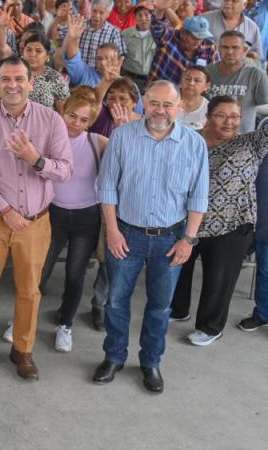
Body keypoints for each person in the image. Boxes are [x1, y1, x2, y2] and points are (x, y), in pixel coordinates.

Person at [92, 80, 208, 393]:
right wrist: (112, 231)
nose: (160, 110)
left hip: (172, 239)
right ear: (144, 101)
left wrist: (189, 240)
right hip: (127, 234)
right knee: (116, 302)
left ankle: (151, 362)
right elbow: (106, 188)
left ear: (180, 106)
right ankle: (114, 356)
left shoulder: (194, 145)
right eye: (154, 103)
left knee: (160, 306)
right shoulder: (122, 137)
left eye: (167, 105)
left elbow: (199, 197)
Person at [0, 57, 73, 381]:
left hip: (35, 223)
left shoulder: (51, 120)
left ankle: (22, 350)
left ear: (31, 84)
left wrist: (35, 159)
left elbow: (66, 170)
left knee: (29, 290)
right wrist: (5, 210)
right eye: (6, 79)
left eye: (19, 79)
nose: (12, 85)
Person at [170, 96, 268, 346]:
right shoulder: (190, 141)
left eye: (234, 116)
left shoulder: (250, 144)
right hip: (188, 222)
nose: (229, 122)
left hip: (232, 226)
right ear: (208, 116)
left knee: (219, 280)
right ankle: (178, 309)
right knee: (178, 270)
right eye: (221, 115)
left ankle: (210, 327)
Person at [37, 87, 107, 353]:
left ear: (91, 121)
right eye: (71, 116)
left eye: (83, 119)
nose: (76, 123)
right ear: (62, 112)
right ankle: (25, 318)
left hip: (86, 217)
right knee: (39, 271)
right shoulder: (48, 140)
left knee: (75, 275)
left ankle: (65, 324)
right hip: (52, 213)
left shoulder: (97, 143)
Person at [206, 31, 268, 134]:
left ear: (244, 50)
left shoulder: (256, 75)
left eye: (235, 47)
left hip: (243, 141)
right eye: (225, 47)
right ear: (219, 49)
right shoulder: (207, 73)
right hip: (211, 139)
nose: (230, 51)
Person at [177, 66, 210, 130]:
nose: (191, 83)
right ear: (181, 81)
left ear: (207, 86)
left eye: (197, 80)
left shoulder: (209, 109)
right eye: (188, 79)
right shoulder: (169, 101)